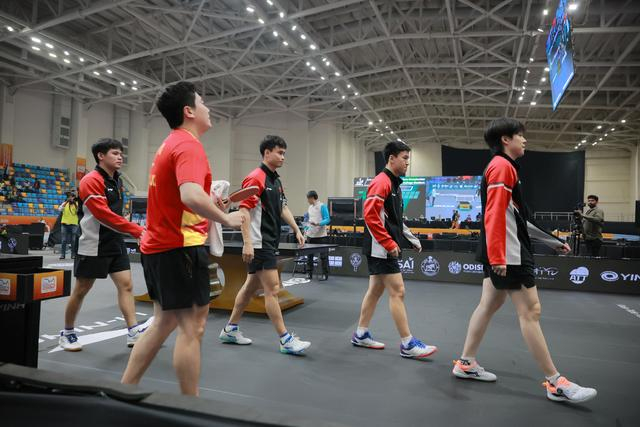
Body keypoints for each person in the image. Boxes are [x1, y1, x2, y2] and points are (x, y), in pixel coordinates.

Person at [452, 118, 597, 404]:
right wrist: (498, 255)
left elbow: (517, 218)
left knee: (489, 304)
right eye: (520, 135)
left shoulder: (504, 168)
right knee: (531, 311)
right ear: (505, 140)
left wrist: (552, 242)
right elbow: (494, 214)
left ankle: (466, 363)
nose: (524, 140)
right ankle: (555, 382)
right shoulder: (502, 167)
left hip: (505, 249)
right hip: (509, 253)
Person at [121, 81, 243, 396]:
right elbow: (189, 195)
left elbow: (183, 198)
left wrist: (210, 203)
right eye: (203, 103)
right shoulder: (189, 145)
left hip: (159, 248)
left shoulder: (170, 144)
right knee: (193, 327)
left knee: (163, 323)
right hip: (180, 250)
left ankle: (123, 391)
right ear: (189, 111)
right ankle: (191, 404)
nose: (208, 108)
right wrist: (227, 218)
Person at [218, 135, 311, 355]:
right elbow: (244, 210)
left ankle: (230, 329)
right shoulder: (255, 178)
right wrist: (247, 243)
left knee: (250, 287)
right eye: (279, 152)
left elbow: (283, 208)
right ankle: (285, 340)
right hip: (260, 242)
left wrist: (297, 229)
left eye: (284, 153)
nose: (283, 157)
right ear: (267, 153)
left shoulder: (275, 181)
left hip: (269, 240)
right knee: (272, 289)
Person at [351, 141, 437, 359]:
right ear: (391, 159)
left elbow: (395, 220)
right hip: (381, 248)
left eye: (408, 158)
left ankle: (360, 334)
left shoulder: (393, 184)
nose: (408, 163)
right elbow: (370, 215)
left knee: (375, 290)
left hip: (382, 247)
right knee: (397, 291)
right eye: (405, 158)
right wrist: (389, 244)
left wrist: (412, 239)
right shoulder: (382, 182)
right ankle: (408, 344)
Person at [59, 139, 147, 352]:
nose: (120, 157)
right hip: (93, 243)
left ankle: (133, 331)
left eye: (121, 154)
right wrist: (136, 230)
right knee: (81, 289)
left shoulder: (117, 181)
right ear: (101, 156)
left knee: (126, 285)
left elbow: (115, 214)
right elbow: (102, 214)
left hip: (114, 242)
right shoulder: (90, 180)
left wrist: (131, 229)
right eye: (115, 153)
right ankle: (67, 333)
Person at [305, 190, 330, 280]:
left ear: (312, 198)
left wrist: (318, 223)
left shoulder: (322, 206)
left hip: (321, 236)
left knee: (323, 256)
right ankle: (309, 273)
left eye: (308, 198)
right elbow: (308, 221)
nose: (307, 200)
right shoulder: (309, 208)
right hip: (310, 235)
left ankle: (325, 274)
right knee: (309, 256)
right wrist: (305, 230)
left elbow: (327, 219)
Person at [58, 191, 79, 259]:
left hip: (74, 224)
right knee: (64, 240)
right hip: (64, 224)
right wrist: (66, 202)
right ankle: (62, 254)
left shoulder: (77, 204)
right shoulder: (64, 203)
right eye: (69, 197)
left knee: (73, 240)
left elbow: (78, 211)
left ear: (74, 197)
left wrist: (75, 204)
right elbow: (59, 209)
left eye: (71, 197)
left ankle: (73, 254)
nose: (70, 198)